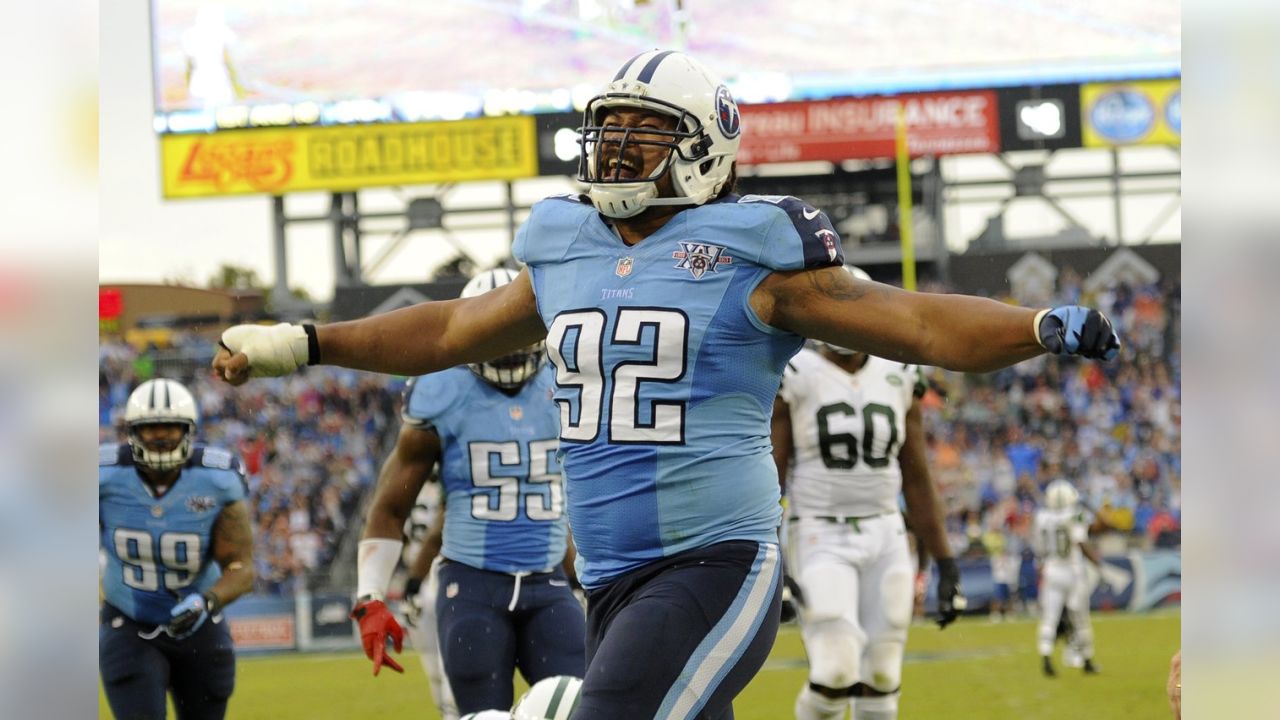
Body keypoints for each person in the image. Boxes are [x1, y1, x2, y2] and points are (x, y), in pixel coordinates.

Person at [213, 49, 1120, 719]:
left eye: (640, 132)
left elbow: (916, 321)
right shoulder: (562, 242)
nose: (610, 150)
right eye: (606, 130)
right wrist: (305, 341)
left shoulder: (753, 244)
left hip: (716, 561)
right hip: (605, 577)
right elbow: (449, 328)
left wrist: (1034, 326)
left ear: (701, 148)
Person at [349, 269, 586, 716]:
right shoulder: (441, 390)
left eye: (516, 333)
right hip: (473, 584)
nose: (510, 346)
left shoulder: (568, 380)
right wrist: (369, 596)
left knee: (582, 707)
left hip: (548, 580)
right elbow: (391, 505)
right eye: (495, 335)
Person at [771, 269, 964, 720]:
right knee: (835, 669)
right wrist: (771, 559)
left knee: (882, 676)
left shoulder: (899, 372)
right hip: (818, 530)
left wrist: (946, 559)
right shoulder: (797, 371)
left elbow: (916, 476)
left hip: (886, 532)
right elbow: (772, 475)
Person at [99, 378, 255, 720]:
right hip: (128, 622)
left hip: (200, 623)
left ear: (189, 430)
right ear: (132, 431)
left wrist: (207, 601)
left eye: (170, 426)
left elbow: (242, 566)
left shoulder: (217, 478)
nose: (161, 436)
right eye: (151, 427)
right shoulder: (103, 474)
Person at [1033, 479, 1104, 677]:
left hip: (1052, 569)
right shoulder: (1076, 515)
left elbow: (1040, 548)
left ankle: (1046, 658)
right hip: (1072, 571)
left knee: (1049, 617)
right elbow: (1080, 542)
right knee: (1080, 619)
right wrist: (1097, 562)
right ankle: (1087, 660)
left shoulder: (1041, 517)